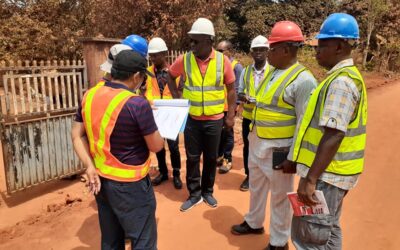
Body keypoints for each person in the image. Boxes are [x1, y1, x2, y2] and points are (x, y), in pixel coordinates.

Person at [231, 21, 317, 250]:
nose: (268, 53)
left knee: (280, 197)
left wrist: (294, 157)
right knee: (257, 188)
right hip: (258, 140)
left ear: (287, 49)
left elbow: (304, 123)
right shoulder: (273, 72)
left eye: (272, 48)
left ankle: (279, 243)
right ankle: (254, 222)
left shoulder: (303, 80)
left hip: (281, 149)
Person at [285, 13, 367, 249]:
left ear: (340, 46)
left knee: (310, 237)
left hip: (326, 176)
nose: (316, 51)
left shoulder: (340, 83)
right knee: (328, 230)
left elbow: (334, 133)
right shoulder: (339, 78)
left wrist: (310, 180)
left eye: (322, 45)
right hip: (332, 174)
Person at [72, 50, 164, 250]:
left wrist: (89, 166)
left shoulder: (89, 95)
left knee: (111, 240)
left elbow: (76, 135)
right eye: (142, 77)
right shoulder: (137, 104)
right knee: (143, 241)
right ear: (136, 76)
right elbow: (157, 145)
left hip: (101, 181)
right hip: (131, 186)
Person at [167, 17, 237, 212]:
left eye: (196, 41)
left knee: (211, 157)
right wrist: (177, 97)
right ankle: (194, 194)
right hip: (192, 119)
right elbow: (170, 76)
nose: (192, 45)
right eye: (191, 41)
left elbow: (231, 89)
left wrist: (230, 116)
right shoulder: (185, 59)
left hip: (215, 120)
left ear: (208, 41)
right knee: (191, 158)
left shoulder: (223, 61)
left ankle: (207, 192)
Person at [145, 37, 183, 189]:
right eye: (151, 55)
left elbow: (180, 93)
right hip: (154, 114)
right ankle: (163, 172)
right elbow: (145, 91)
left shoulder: (175, 73)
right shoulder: (147, 73)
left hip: (171, 115)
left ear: (165, 54)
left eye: (156, 55)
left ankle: (177, 174)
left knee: (173, 147)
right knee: (159, 146)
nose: (153, 58)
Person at [237, 35, 271, 191]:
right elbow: (239, 92)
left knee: (266, 147)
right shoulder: (245, 71)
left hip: (266, 118)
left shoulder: (274, 72)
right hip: (249, 118)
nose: (258, 53)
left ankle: (266, 176)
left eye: (262, 50)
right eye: (255, 50)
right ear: (251, 53)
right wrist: (244, 97)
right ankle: (249, 176)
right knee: (248, 148)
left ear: (267, 52)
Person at [215, 40, 243, 174]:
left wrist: (234, 110)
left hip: (229, 108)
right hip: (218, 106)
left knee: (228, 133)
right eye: (217, 50)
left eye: (221, 51)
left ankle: (228, 159)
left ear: (229, 51)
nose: (218, 53)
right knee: (219, 133)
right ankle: (220, 156)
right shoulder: (217, 65)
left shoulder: (236, 67)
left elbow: (237, 89)